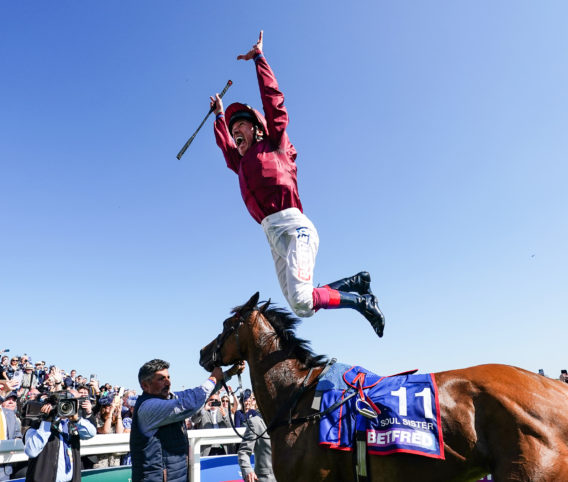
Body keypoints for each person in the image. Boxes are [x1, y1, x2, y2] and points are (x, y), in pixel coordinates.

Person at [210, 31, 385, 337]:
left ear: (258, 130)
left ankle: (361, 302)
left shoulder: (275, 143)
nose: (236, 131)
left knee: (303, 299)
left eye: (242, 125)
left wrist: (259, 59)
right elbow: (226, 148)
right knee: (302, 307)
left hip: (294, 227)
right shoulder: (240, 162)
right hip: (272, 235)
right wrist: (220, 117)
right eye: (233, 129)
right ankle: (356, 283)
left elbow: (274, 103)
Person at [129, 359, 240, 482]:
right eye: (161, 379)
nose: (168, 382)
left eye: (168, 377)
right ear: (145, 385)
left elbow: (204, 394)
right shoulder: (148, 407)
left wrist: (230, 373)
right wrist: (213, 378)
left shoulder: (169, 397)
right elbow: (190, 403)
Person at [23, 393, 97, 482]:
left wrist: (76, 419)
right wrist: (47, 421)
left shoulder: (72, 425)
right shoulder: (37, 426)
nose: (64, 408)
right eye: (60, 404)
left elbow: (91, 433)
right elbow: (32, 451)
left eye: (68, 404)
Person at [237, 410, 276, 482]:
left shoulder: (289, 421)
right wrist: (248, 471)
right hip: (266, 479)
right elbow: (243, 452)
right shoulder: (255, 422)